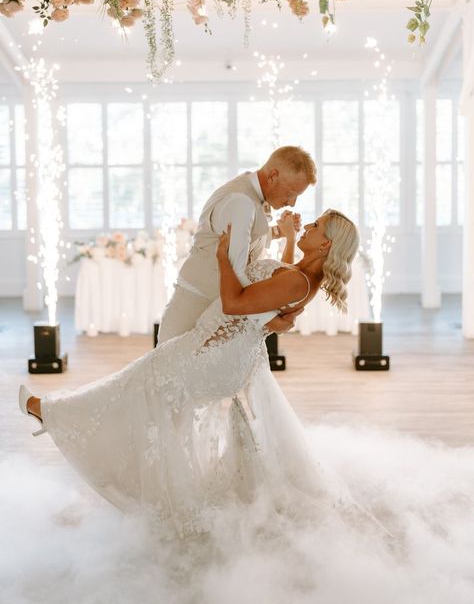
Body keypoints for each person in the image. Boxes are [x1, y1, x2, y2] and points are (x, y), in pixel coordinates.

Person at [19, 209, 359, 536]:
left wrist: (224, 258)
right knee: (142, 394)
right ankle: (66, 422)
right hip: (215, 349)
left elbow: (234, 303)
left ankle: (52, 414)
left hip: (214, 355)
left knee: (136, 387)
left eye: (315, 226)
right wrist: (286, 237)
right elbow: (277, 288)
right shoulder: (301, 275)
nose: (307, 227)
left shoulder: (299, 282)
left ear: (326, 244)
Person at [157, 145, 317, 344]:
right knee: (172, 370)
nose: (292, 203)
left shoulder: (249, 192)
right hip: (196, 306)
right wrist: (271, 321)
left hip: (217, 307)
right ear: (273, 175)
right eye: (291, 192)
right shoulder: (241, 203)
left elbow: (247, 236)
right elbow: (235, 271)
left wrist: (279, 232)